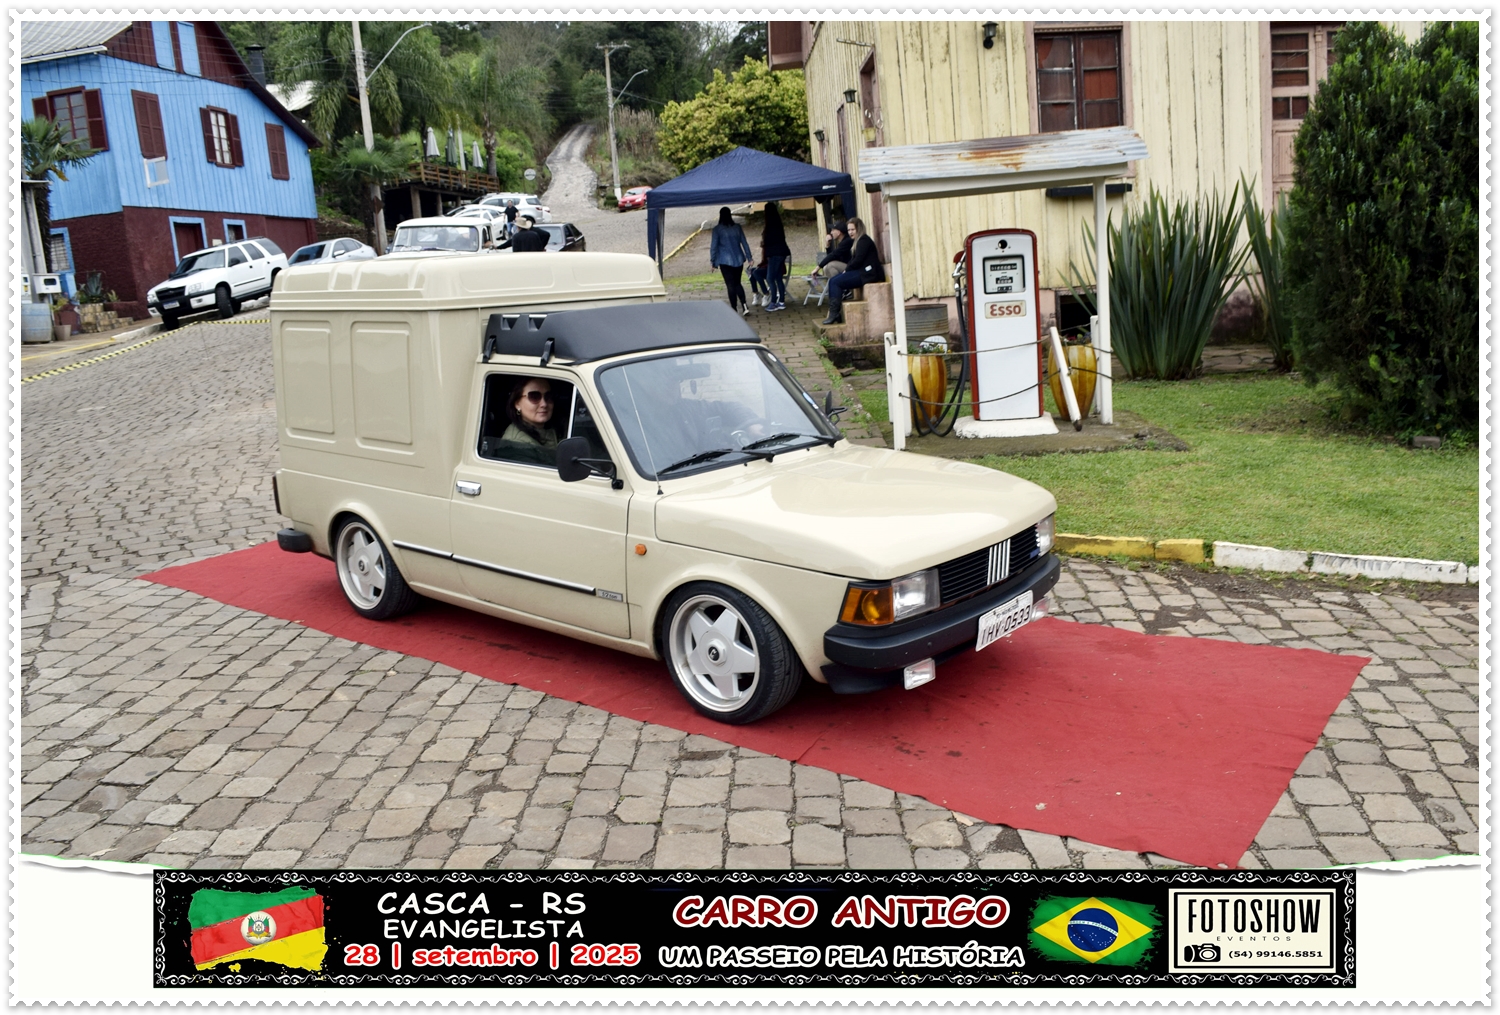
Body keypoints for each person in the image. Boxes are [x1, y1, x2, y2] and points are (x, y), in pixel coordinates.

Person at [822, 217, 885, 325]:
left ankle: (834, 314)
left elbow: (858, 260)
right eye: (849, 230)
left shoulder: (864, 241)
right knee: (833, 281)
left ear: (859, 229)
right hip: (862, 272)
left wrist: (847, 270)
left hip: (868, 274)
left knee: (835, 282)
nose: (850, 232)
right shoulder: (858, 241)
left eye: (852, 230)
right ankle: (835, 313)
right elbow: (853, 260)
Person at [498, 377, 559, 465]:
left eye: (548, 396)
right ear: (517, 403)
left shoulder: (556, 428)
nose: (544, 404)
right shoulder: (516, 446)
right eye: (534, 397)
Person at [709, 206, 753, 316]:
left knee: (730, 285)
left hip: (725, 261)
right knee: (737, 283)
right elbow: (744, 243)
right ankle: (744, 305)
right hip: (738, 259)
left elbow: (713, 247)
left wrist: (713, 261)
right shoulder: (737, 227)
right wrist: (749, 258)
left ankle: (734, 309)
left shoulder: (717, 230)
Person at [761, 202, 792, 312]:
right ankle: (781, 301)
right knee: (778, 278)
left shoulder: (770, 226)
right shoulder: (778, 223)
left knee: (770, 278)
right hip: (782, 252)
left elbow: (768, 241)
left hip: (774, 254)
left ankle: (773, 302)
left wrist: (764, 243)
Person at [747, 241, 771, 307]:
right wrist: (759, 266)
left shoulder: (771, 249)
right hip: (766, 267)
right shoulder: (765, 249)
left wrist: (760, 267)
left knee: (756, 272)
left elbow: (770, 263)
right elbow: (764, 262)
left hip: (772, 269)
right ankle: (756, 293)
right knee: (751, 271)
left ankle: (766, 293)